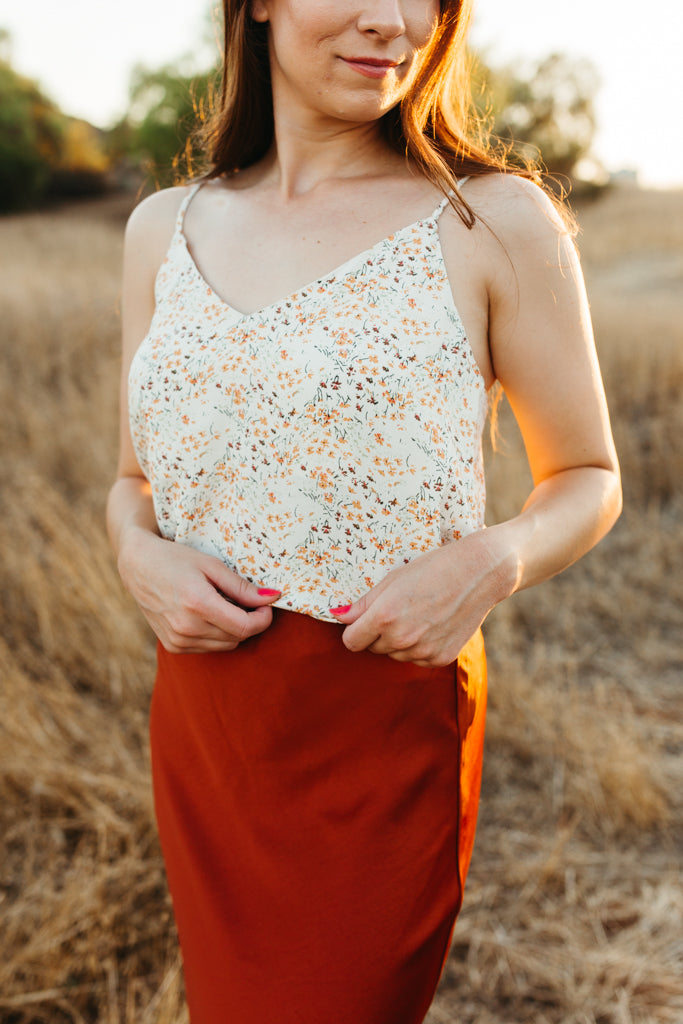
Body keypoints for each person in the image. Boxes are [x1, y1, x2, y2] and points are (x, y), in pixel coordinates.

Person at [107, 2, 622, 1021]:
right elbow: (134, 481)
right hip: (208, 724)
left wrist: (493, 560)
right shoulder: (162, 226)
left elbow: (587, 476)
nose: (392, 22)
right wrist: (134, 551)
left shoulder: (490, 218)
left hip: (380, 726)